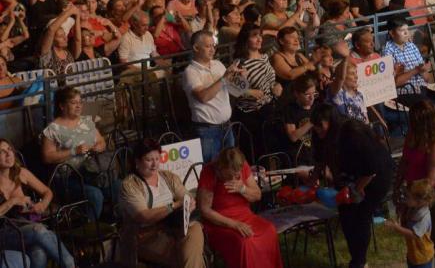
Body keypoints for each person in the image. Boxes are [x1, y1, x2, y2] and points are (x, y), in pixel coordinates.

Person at [309, 105, 394, 268]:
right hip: (351, 175)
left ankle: (359, 262)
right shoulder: (320, 135)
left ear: (331, 121)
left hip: (375, 175)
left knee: (361, 214)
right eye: (315, 126)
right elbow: (319, 158)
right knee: (346, 214)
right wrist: (313, 178)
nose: (318, 129)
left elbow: (371, 168)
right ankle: (357, 259)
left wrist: (355, 189)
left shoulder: (352, 133)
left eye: (320, 125)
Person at [118, 138, 204, 268]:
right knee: (189, 254)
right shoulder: (130, 185)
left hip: (172, 228)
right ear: (137, 161)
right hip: (146, 235)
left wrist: (189, 204)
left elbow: (186, 197)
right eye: (149, 160)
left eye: (157, 159)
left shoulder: (167, 177)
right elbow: (143, 216)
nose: (154, 164)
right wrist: (173, 206)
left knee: (195, 229)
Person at [395, 100, 435, 268]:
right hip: (414, 192)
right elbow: (405, 162)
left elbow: (432, 178)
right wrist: (397, 187)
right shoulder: (413, 135)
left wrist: (414, 202)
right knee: (418, 239)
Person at [197, 147, 283, 268]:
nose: (233, 178)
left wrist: (243, 189)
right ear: (221, 168)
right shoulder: (209, 171)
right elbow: (205, 210)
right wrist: (234, 224)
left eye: (236, 175)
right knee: (245, 242)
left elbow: (257, 195)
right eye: (229, 175)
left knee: (270, 230)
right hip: (219, 222)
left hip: (245, 215)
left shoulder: (241, 166)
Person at [0, 139, 76, 268]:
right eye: (2, 152)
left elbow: (47, 192)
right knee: (39, 230)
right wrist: (12, 201)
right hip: (3, 233)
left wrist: (43, 204)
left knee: (38, 253)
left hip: (24, 227)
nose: (9, 154)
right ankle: (71, 265)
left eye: (9, 149)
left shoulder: (21, 173)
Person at [41, 87, 109, 219]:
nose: (78, 106)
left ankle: (117, 227)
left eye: (80, 102)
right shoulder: (53, 129)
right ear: (62, 105)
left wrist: (99, 146)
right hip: (68, 177)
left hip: (91, 171)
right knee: (94, 195)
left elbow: (102, 141)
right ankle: (90, 232)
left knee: (116, 186)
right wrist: (73, 151)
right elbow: (47, 157)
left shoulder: (87, 121)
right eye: (73, 102)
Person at [182, 30, 242, 162]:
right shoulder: (190, 72)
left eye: (213, 46)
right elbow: (203, 97)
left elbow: (237, 90)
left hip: (227, 126)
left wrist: (242, 77)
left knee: (231, 167)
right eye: (208, 46)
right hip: (207, 131)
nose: (212, 50)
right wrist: (224, 78)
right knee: (211, 169)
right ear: (196, 48)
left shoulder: (218, 65)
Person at [232, 24, 282, 157]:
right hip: (250, 115)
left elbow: (270, 80)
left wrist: (276, 85)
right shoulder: (240, 62)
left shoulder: (264, 57)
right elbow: (232, 88)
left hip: (267, 109)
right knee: (256, 153)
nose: (259, 39)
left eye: (260, 35)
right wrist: (249, 92)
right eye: (255, 36)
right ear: (245, 39)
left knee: (271, 150)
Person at [386, 179, 435, 268]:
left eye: (409, 197)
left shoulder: (424, 217)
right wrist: (400, 215)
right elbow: (407, 222)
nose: (406, 198)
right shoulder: (414, 208)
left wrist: (396, 227)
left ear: (419, 201)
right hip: (413, 255)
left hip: (423, 257)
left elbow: (414, 234)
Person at [382, 18, 432, 96]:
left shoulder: (412, 46)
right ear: (392, 33)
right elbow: (394, 83)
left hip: (423, 88)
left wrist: (423, 70)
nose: (406, 33)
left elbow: (427, 79)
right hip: (406, 93)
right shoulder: (387, 51)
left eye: (407, 29)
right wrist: (416, 70)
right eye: (402, 30)